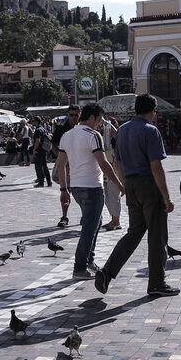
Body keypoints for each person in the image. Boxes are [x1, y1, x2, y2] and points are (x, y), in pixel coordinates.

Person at [95, 94, 179, 297]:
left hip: (130, 184)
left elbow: (118, 162)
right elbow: (156, 166)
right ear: (153, 110)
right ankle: (157, 283)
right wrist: (166, 197)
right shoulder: (150, 131)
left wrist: (125, 186)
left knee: (134, 232)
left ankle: (107, 271)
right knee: (157, 235)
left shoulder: (122, 130)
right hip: (148, 184)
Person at [58, 104, 125, 280]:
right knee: (89, 228)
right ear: (92, 118)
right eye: (99, 120)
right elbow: (104, 164)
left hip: (77, 188)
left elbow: (60, 165)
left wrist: (64, 189)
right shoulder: (93, 136)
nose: (100, 124)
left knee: (96, 222)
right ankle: (79, 268)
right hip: (92, 188)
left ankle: (89, 260)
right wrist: (120, 185)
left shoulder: (67, 135)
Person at [52, 106, 80, 227]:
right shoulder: (61, 129)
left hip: (80, 164)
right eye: (71, 115)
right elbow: (53, 146)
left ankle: (84, 215)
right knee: (65, 190)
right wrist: (62, 159)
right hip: (66, 165)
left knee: (81, 190)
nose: (74, 117)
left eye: (76, 115)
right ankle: (64, 216)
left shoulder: (83, 128)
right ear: (68, 115)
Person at [100, 116, 122, 230]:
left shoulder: (118, 139)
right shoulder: (105, 139)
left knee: (113, 195)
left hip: (115, 169)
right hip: (107, 169)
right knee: (107, 196)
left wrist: (107, 123)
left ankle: (116, 220)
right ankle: (113, 219)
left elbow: (116, 133)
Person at [31, 117, 51, 187]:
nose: (32, 122)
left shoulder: (38, 130)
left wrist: (34, 149)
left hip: (39, 150)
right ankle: (49, 182)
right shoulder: (43, 129)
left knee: (39, 167)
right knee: (45, 167)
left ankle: (41, 182)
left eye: (33, 121)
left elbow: (38, 140)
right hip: (44, 149)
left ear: (37, 122)